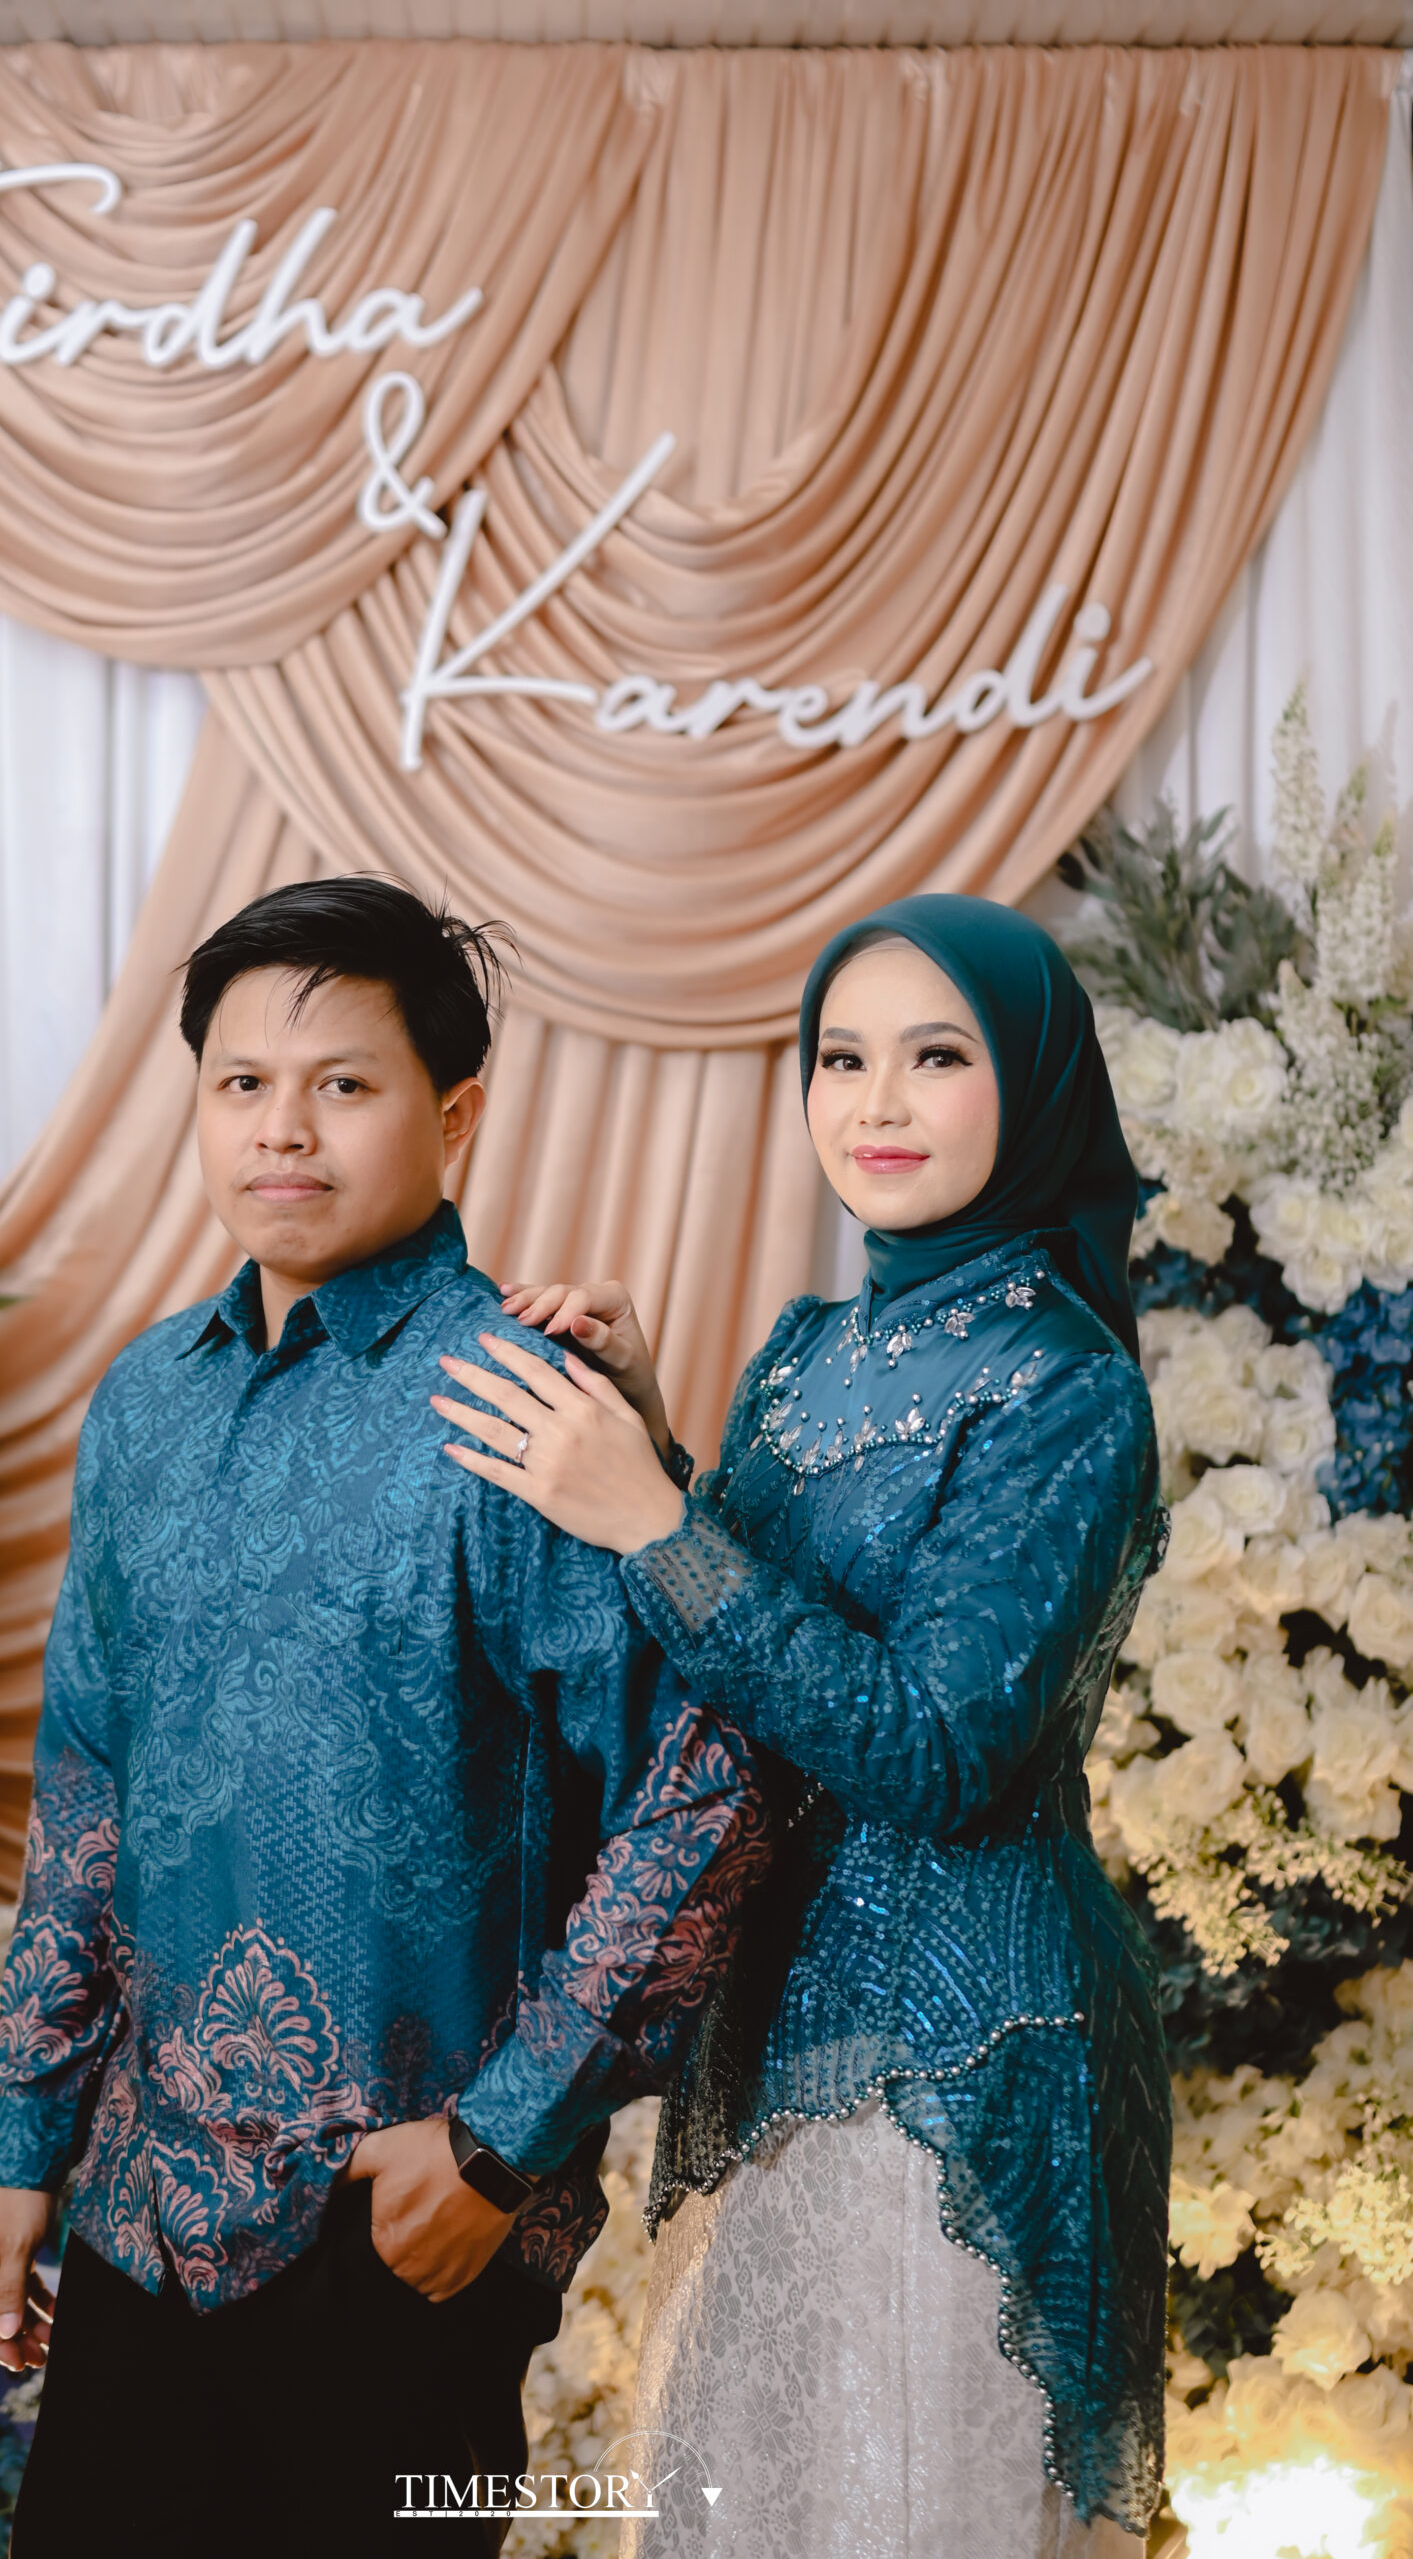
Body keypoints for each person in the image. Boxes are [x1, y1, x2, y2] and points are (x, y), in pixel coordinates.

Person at [0, 878, 768, 2559]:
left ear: (452, 1115)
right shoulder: (144, 1402)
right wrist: (25, 2136)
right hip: (138, 2206)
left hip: (398, 2224)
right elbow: (86, 1786)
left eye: (342, 1084)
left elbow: (703, 1794)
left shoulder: (523, 1405)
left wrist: (497, 2147)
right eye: (242, 1084)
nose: (283, 1129)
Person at [435, 895, 1170, 2558]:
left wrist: (648, 1521)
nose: (877, 1103)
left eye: (936, 1058)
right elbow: (763, 1657)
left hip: (955, 2056)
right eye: (841, 1059)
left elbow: (934, 1753)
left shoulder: (1062, 1388)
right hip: (765, 2032)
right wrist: (658, 1446)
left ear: (1034, 1082)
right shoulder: (806, 1352)